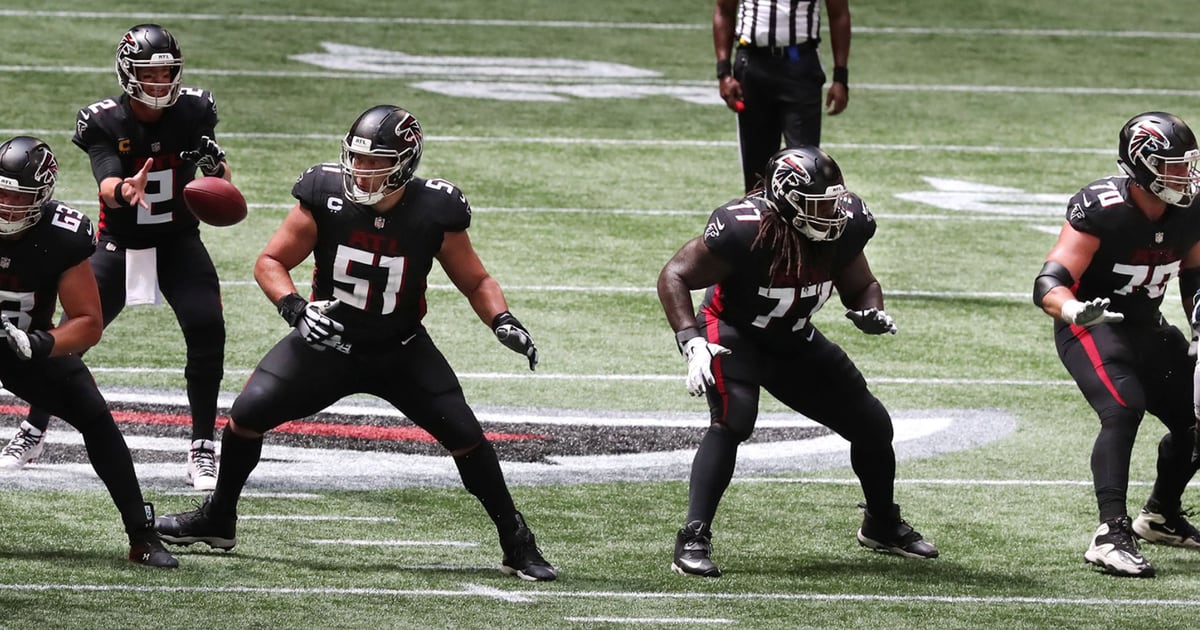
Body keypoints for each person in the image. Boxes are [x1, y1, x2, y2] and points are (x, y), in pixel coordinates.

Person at [154, 105, 557, 581]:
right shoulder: (323, 194)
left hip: (400, 348)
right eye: (357, 159)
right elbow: (270, 262)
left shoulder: (436, 209)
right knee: (245, 416)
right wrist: (295, 308)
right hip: (328, 341)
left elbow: (476, 280)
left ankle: (516, 542)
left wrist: (502, 319)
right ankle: (219, 517)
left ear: (405, 162)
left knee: (467, 438)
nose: (362, 171)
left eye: (375, 162)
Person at [657, 145, 937, 577]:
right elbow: (675, 274)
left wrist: (869, 310)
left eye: (833, 202)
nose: (833, 213)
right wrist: (690, 340)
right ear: (787, 199)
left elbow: (861, 284)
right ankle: (693, 536)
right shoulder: (742, 229)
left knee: (874, 426)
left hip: (792, 337)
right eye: (818, 204)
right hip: (732, 330)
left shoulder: (843, 229)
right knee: (735, 419)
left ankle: (880, 522)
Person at [0, 24, 230, 491]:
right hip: (119, 243)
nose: (162, 82)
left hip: (178, 241)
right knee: (70, 336)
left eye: (168, 72)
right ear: (128, 72)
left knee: (208, 327)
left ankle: (203, 445)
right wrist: (125, 189)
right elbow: (106, 181)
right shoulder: (105, 121)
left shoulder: (195, 111)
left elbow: (223, 184)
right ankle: (34, 429)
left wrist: (215, 167)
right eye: (151, 72)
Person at [1034, 111, 1200, 578]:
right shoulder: (1101, 207)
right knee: (1124, 407)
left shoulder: (1192, 207)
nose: (1185, 177)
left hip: (1147, 324)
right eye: (1172, 167)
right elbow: (1049, 281)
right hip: (1091, 325)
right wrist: (1071, 310)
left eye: (1188, 165)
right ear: (1142, 167)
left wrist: (1199, 327)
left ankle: (1161, 515)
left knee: (1198, 418)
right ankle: (1110, 533)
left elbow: (1194, 271)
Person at [0, 136, 177, 568]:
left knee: (95, 416)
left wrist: (41, 344)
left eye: (16, 197)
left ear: (41, 198)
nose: (5, 206)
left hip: (24, 345)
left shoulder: (61, 236)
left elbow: (87, 322)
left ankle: (142, 534)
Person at [714, 0, 851, 193]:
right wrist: (724, 73)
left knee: (807, 169)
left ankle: (803, 222)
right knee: (757, 175)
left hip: (800, 64)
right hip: (753, 63)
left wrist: (840, 77)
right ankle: (761, 222)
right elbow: (724, 9)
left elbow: (839, 13)